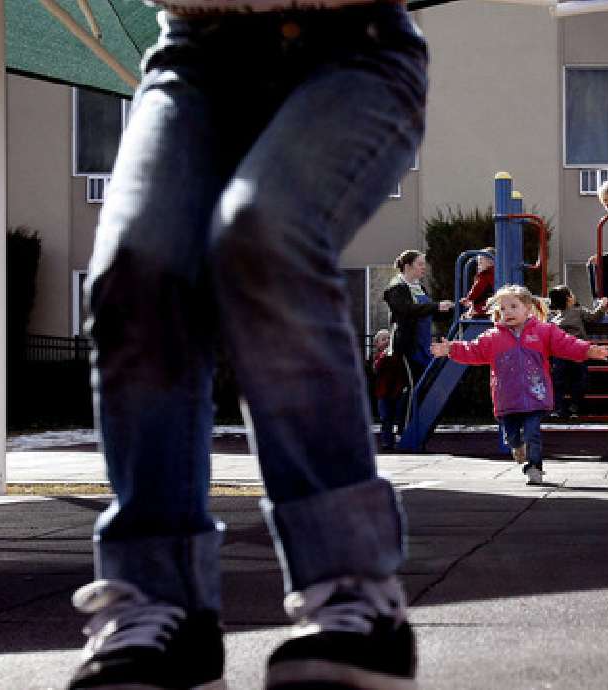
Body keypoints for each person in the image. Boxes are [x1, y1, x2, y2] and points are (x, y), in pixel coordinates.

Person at [72, 4, 429, 689]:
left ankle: (353, 590)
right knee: (138, 271)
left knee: (263, 234)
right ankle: (161, 604)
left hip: (354, 51)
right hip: (197, 58)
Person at [430, 285, 608, 485]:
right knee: (512, 436)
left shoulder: (544, 331)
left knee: (533, 432)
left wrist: (589, 351)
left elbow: (566, 344)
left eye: (513, 307)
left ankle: (535, 467)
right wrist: (450, 349)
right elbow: (473, 350)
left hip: (535, 395)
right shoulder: (494, 337)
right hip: (507, 398)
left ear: (527, 308)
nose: (507, 312)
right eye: (503, 309)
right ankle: (517, 446)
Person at [385, 249, 455, 387]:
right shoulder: (395, 288)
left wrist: (451, 309)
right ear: (407, 267)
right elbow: (406, 310)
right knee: (412, 387)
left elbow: (430, 312)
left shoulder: (419, 287)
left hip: (424, 344)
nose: (424, 267)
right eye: (420, 264)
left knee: (426, 385)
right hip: (409, 347)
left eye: (424, 264)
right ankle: (408, 409)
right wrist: (436, 306)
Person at [547, 285, 608, 418]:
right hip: (577, 351)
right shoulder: (578, 311)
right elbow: (594, 317)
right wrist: (602, 305)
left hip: (561, 354)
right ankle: (574, 406)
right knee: (579, 380)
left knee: (559, 381)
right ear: (569, 299)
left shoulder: (553, 318)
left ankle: (558, 409)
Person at [372, 328, 407, 452]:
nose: (386, 341)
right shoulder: (378, 356)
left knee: (400, 414)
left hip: (396, 390)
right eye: (383, 339)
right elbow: (377, 368)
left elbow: (401, 367)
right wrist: (384, 355)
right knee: (386, 418)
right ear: (377, 344)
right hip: (383, 392)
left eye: (388, 338)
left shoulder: (395, 354)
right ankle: (387, 442)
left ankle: (400, 437)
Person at [459, 247, 496, 318]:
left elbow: (477, 289)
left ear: (490, 263)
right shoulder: (497, 273)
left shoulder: (485, 275)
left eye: (480, 263)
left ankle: (473, 312)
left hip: (484, 307)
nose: (478, 266)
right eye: (478, 264)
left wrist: (468, 299)